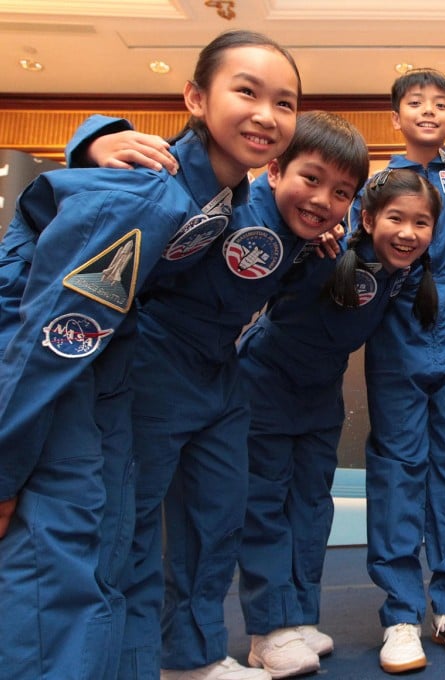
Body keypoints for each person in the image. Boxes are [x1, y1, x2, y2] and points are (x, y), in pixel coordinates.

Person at [0, 29, 300, 680]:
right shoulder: (148, 189)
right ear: (195, 97)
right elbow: (53, 335)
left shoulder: (228, 199)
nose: (266, 115)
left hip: (108, 366)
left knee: (118, 559)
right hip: (53, 370)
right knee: (66, 569)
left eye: (284, 103)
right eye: (246, 92)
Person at [79, 109, 367, 679]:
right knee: (131, 524)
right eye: (310, 179)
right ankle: (123, 663)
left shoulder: (305, 240)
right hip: (155, 361)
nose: (322, 200)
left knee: (218, 514)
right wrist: (94, 143)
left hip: (221, 371)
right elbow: (162, 169)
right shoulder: (228, 199)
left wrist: (320, 245)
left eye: (341, 193)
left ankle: (193, 656)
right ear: (275, 169)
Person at [236, 167, 436, 678]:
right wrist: (313, 236)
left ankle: (299, 616)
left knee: (310, 506)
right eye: (395, 219)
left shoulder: (403, 272)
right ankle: (267, 630)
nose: (407, 233)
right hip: (266, 386)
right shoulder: (327, 248)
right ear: (367, 219)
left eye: (421, 222)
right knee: (265, 506)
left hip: (320, 395)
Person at [345, 68, 445, 674]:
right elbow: (353, 248)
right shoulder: (374, 185)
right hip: (395, 327)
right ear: (396, 117)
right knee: (397, 468)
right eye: (415, 102)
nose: (428, 111)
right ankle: (401, 613)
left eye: (440, 104)